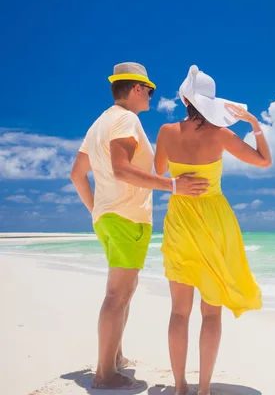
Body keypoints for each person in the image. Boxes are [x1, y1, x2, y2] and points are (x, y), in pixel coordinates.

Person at [70, 62, 209, 390]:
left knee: (122, 290)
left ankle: (115, 358)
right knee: (118, 294)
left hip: (109, 218)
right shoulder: (126, 120)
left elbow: (77, 174)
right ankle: (105, 373)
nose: (151, 94)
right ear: (134, 89)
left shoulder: (99, 124)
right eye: (149, 89)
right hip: (126, 218)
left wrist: (97, 211)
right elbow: (121, 169)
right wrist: (173, 186)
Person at [154, 65, 272, 395]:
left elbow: (160, 169)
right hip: (214, 221)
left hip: (179, 219)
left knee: (179, 311)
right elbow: (264, 161)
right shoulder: (221, 133)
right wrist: (254, 124)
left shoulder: (165, 131)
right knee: (211, 313)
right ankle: (204, 389)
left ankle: (180, 388)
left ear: (184, 99)